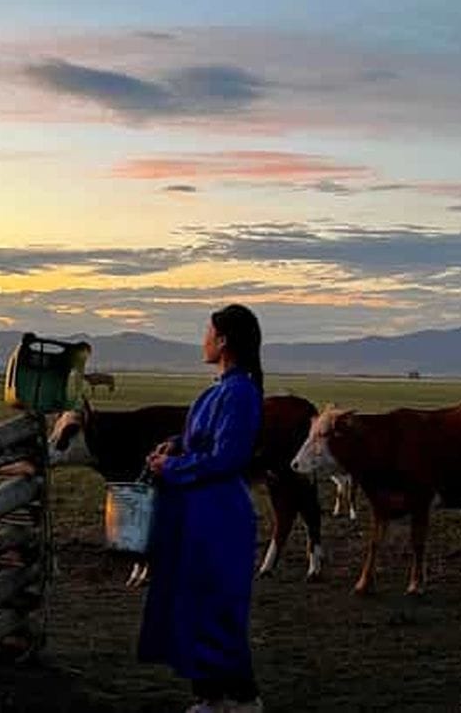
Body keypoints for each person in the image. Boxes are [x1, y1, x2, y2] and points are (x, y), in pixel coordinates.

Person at [138, 304, 265, 713]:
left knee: (216, 605)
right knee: (198, 601)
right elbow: (208, 440)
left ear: (223, 341)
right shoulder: (224, 389)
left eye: (207, 333)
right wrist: (176, 444)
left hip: (218, 516)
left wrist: (171, 467)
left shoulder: (239, 392)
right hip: (199, 513)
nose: (203, 340)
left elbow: (227, 457)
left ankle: (239, 699)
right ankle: (212, 697)